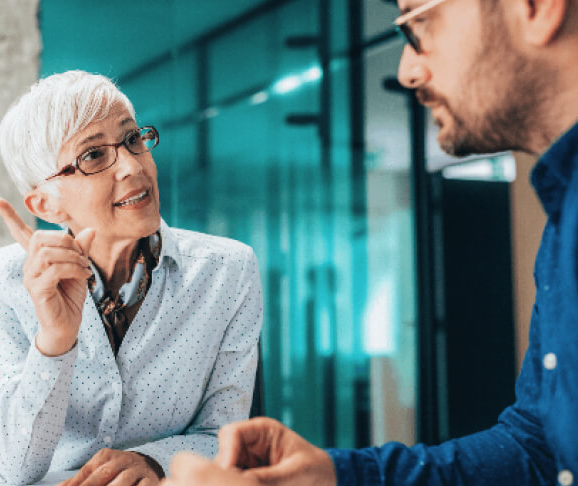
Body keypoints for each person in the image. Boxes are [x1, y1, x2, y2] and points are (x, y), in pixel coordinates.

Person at [165, 0, 578, 485]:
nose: (407, 70)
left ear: (536, 7)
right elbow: (536, 448)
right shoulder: (562, 219)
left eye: (419, 23)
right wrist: (334, 475)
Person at [0, 70, 263, 486]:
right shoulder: (6, 279)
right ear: (47, 204)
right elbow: (13, 467)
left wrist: (154, 460)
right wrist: (55, 340)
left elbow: (228, 437)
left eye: (132, 140)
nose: (132, 166)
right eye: (93, 156)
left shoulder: (227, 270)